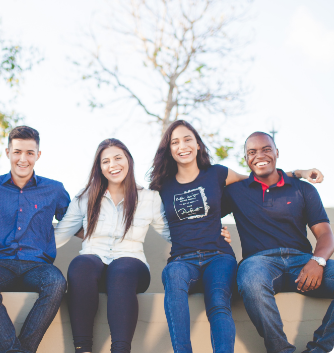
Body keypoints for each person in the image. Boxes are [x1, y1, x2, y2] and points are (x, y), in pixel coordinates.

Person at [148, 120, 322, 353]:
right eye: (175, 142)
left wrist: (297, 173)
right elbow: (155, 220)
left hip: (219, 255)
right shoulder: (162, 186)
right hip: (182, 258)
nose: (183, 146)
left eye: (188, 139)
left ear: (198, 144)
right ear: (169, 149)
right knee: (172, 276)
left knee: (219, 302)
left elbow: (258, 178)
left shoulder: (218, 173)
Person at [53, 138, 232, 353]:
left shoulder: (149, 198)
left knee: (122, 268)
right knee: (81, 264)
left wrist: (213, 234)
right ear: (99, 167)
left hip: (131, 269)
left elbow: (175, 232)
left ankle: (120, 350)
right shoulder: (85, 197)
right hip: (93, 268)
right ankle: (83, 349)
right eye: (105, 161)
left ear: (128, 160)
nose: (113, 165)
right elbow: (60, 234)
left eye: (118, 158)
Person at [222, 131, 334, 353]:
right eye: (251, 152)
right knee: (251, 282)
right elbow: (204, 211)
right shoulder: (235, 191)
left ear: (277, 153)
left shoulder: (303, 188)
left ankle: (321, 348)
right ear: (246, 159)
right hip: (259, 263)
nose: (259, 155)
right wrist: (217, 230)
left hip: (302, 262)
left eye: (266, 149)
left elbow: (325, 234)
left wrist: (318, 261)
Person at [0, 125, 70, 353]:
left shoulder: (54, 189)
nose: (22, 159)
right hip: (0, 265)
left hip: (38, 266)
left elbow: (77, 223)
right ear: (8, 153)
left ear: (38, 155)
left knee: (56, 283)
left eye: (29, 153)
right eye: (17, 152)